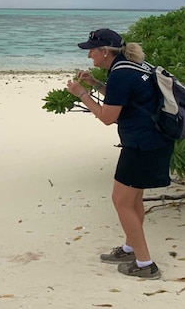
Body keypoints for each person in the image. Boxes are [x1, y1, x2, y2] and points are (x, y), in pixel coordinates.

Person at [66, 28, 172, 280]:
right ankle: (129, 249)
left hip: (141, 145)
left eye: (92, 50)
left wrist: (81, 93)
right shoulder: (132, 65)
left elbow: (107, 117)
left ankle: (145, 264)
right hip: (156, 141)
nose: (89, 55)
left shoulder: (122, 74)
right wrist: (96, 85)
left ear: (105, 52)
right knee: (133, 200)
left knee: (121, 201)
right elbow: (127, 100)